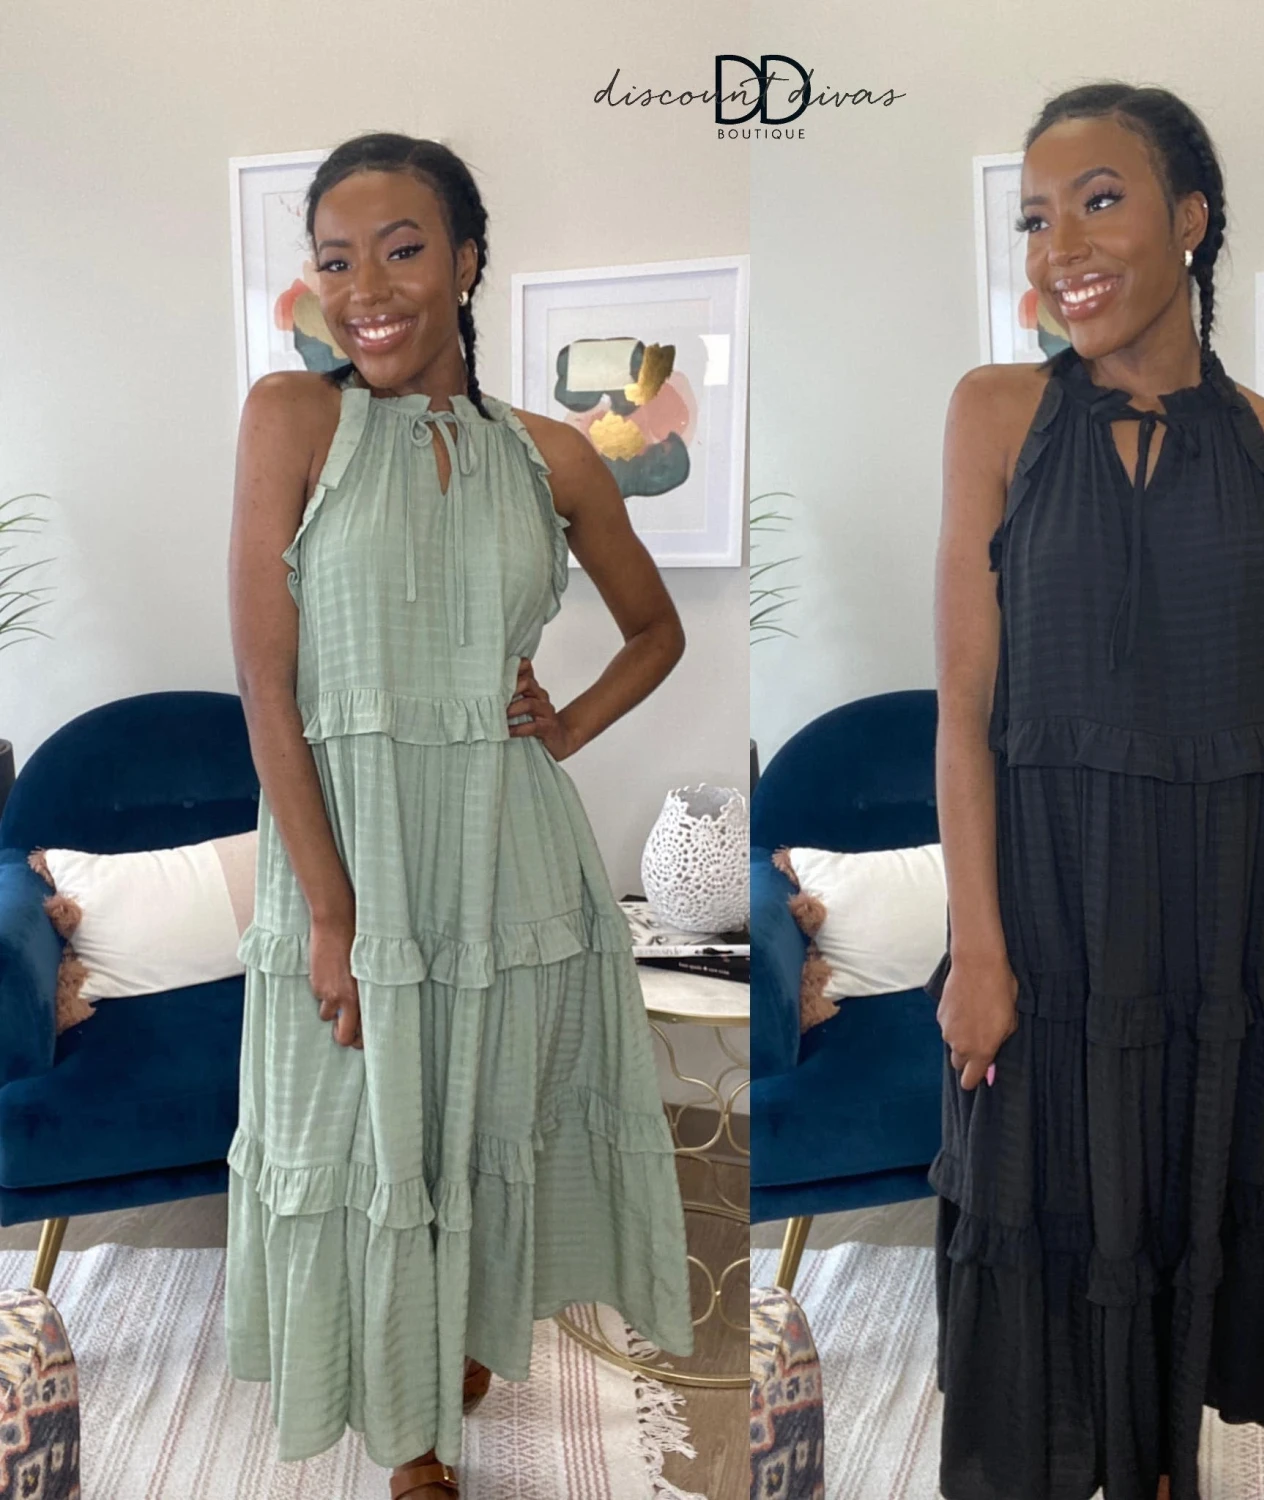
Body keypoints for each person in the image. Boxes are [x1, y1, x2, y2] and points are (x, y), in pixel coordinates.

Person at [225, 132, 694, 1500]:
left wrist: (567, 724)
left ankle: (452, 1360)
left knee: (489, 1121)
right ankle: (413, 1439)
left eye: (402, 249)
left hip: (510, 860)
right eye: (335, 260)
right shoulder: (290, 417)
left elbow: (656, 632)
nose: (364, 288)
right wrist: (331, 913)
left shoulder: (553, 456)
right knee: (367, 1135)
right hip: (350, 854)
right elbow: (266, 684)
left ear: (469, 262)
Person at [925, 84, 1264, 1500]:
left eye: (1099, 201)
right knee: (1039, 1262)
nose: (1060, 247)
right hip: (1042, 927)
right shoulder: (994, 416)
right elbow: (967, 707)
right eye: (1035, 219)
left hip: (1220, 945)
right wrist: (979, 950)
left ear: (1190, 219)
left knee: (1183, 1231)